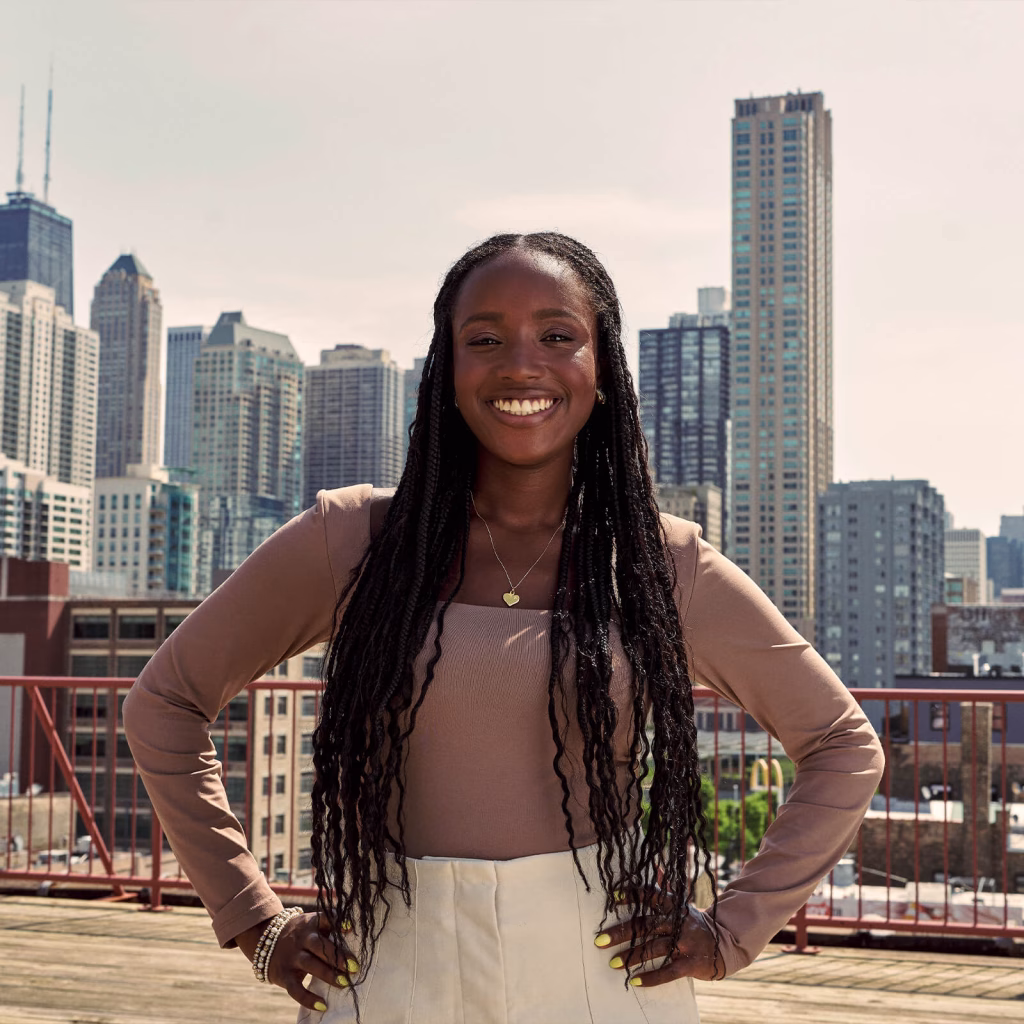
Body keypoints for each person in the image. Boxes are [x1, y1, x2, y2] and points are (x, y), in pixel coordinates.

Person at [123, 232, 884, 1023]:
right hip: (387, 964)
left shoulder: (660, 562)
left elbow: (842, 744)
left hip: (599, 970)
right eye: (484, 339)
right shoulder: (351, 538)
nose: (522, 364)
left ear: (603, 369)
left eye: (558, 337)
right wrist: (254, 918)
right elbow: (164, 704)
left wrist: (735, 929)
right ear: (446, 372)